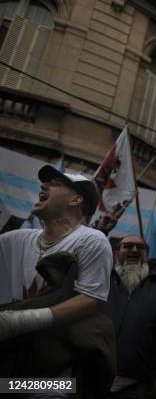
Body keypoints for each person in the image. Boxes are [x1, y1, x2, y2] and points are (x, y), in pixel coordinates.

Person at [0, 165, 115, 396]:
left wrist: (18, 321)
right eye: (45, 183)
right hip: (8, 363)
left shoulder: (92, 240)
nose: (43, 186)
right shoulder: (13, 240)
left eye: (55, 184)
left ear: (76, 199)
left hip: (54, 375)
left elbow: (89, 300)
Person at [98, 235, 156, 398]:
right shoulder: (100, 282)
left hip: (138, 387)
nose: (134, 250)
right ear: (116, 253)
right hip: (93, 380)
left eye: (140, 247)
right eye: (128, 246)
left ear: (146, 255)